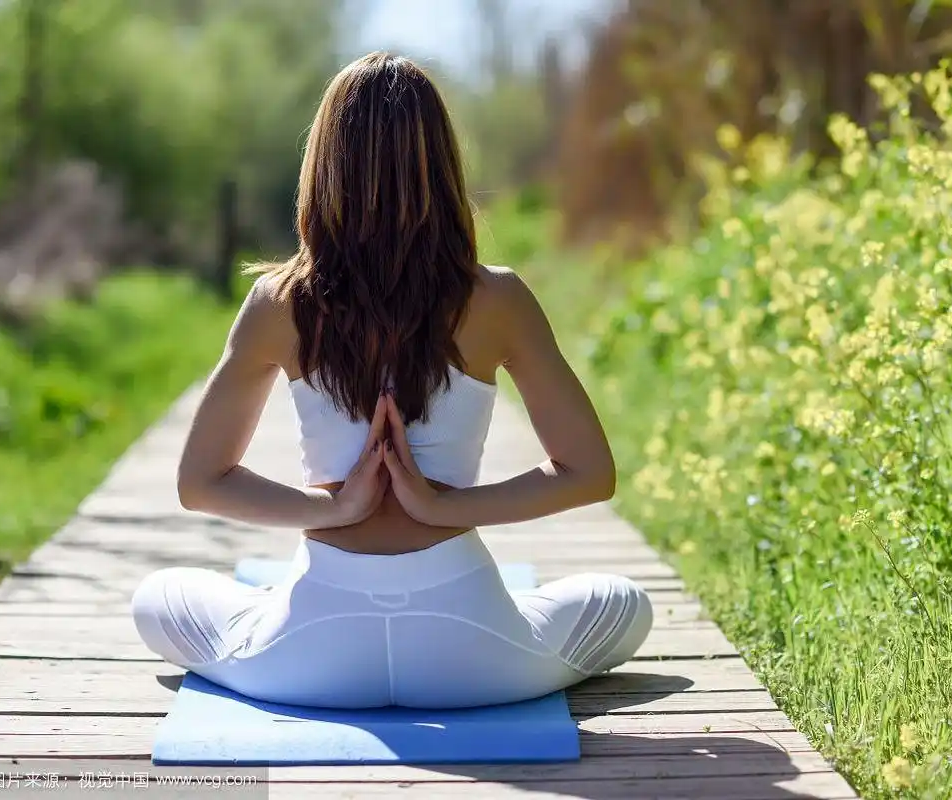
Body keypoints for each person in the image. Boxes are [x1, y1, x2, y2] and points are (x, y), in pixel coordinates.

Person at [130, 53, 652, 709]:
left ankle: (274, 613)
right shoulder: (499, 299)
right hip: (470, 652)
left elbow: (199, 482)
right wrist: (443, 508)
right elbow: (589, 472)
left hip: (311, 653)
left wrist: (333, 509)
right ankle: (497, 615)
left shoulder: (276, 301)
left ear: (324, 166)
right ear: (442, 166)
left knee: (159, 597)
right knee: (622, 601)